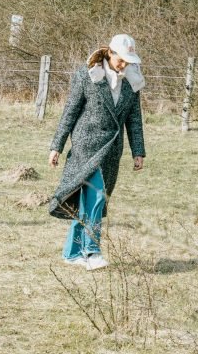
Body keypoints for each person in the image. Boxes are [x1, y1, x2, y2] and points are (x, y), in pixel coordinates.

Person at [47, 34, 146, 270]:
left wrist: (138, 151)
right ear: (109, 53)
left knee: (89, 200)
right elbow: (70, 111)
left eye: (128, 61)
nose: (124, 65)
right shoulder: (86, 75)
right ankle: (92, 251)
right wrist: (56, 146)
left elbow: (134, 120)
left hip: (112, 148)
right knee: (96, 195)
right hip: (85, 145)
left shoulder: (133, 83)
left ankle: (72, 253)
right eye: (121, 59)